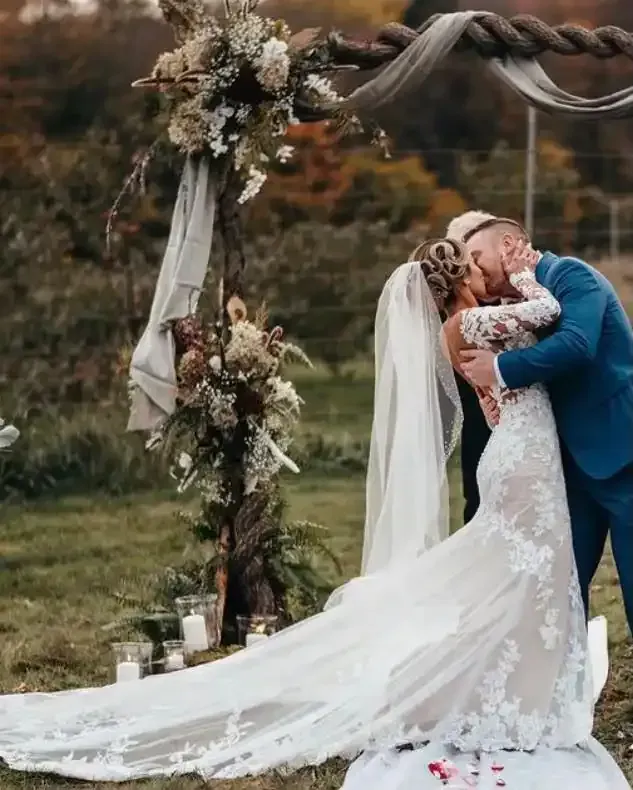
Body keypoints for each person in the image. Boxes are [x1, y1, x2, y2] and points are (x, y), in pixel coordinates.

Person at [0, 240, 625, 790]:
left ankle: (520, 685)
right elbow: (545, 315)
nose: (493, 270)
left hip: (524, 459)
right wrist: (530, 271)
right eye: (482, 265)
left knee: (521, 576)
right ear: (461, 279)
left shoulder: (456, 329)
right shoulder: (477, 322)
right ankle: (491, 689)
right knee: (527, 570)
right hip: (521, 464)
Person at [453, 211, 633, 633]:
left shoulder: (572, 275)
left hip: (621, 452)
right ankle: (565, 689)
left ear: (510, 246)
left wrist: (499, 369)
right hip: (567, 467)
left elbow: (577, 344)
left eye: (478, 256)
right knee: (562, 587)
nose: (473, 268)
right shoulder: (511, 302)